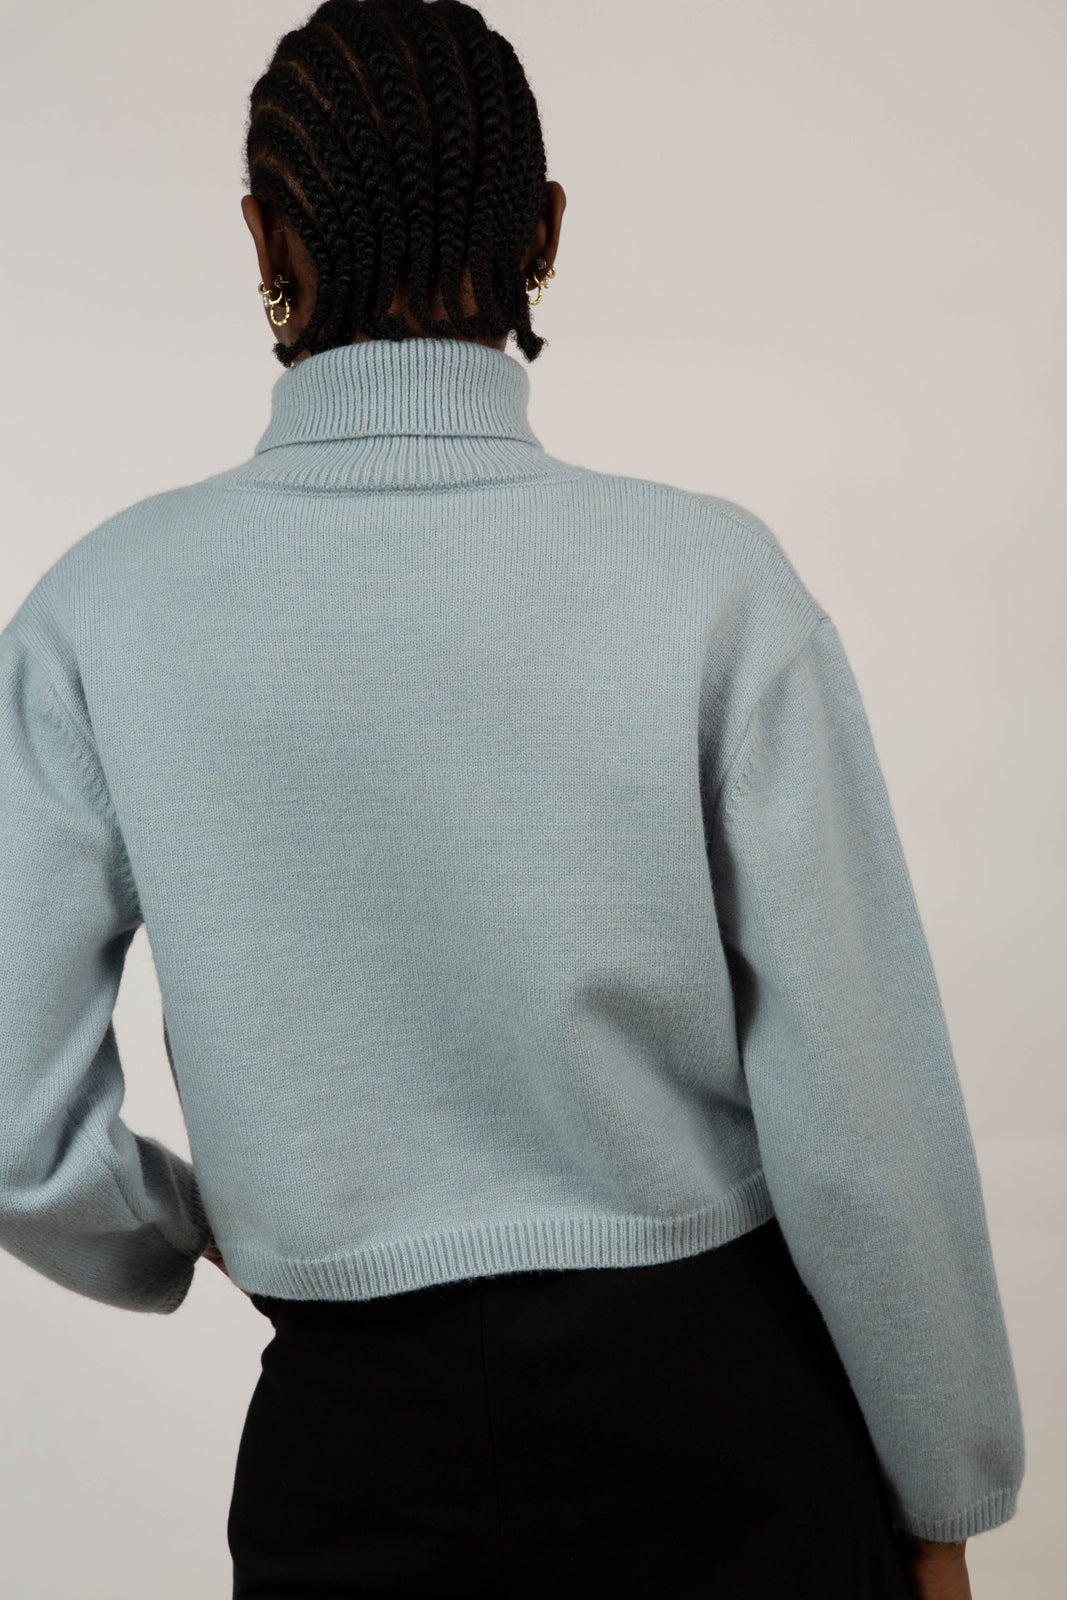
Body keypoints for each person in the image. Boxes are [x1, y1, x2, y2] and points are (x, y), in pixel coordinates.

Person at [0, 2, 1023, 1596]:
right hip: (726, 1428)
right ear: (544, 232)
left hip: (350, 1447)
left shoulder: (99, 612)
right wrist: (943, 1493)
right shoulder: (710, 581)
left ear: (263, 237)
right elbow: (862, 1108)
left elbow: (11, 1121)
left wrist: (198, 1230)